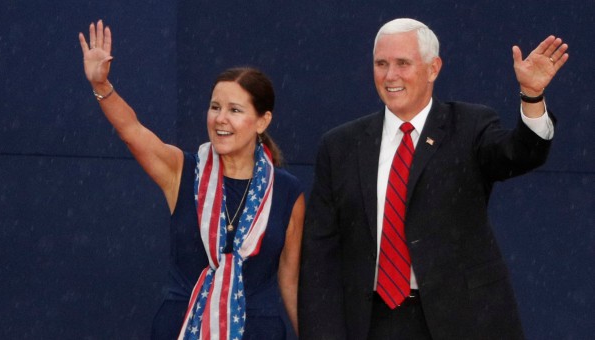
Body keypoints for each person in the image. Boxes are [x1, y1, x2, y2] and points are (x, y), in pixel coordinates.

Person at [298, 18, 568, 339]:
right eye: (381, 64)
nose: (390, 75)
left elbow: (520, 154)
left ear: (433, 68)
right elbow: (320, 257)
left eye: (403, 63)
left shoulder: (469, 126)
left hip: (462, 320)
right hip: (373, 321)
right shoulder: (340, 145)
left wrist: (532, 97)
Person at [79, 20, 305, 339]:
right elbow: (132, 131)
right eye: (215, 107)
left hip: (258, 330)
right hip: (181, 326)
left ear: (262, 120)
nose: (220, 119)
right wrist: (102, 86)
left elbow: (290, 280)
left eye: (235, 110)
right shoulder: (181, 170)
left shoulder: (286, 191)